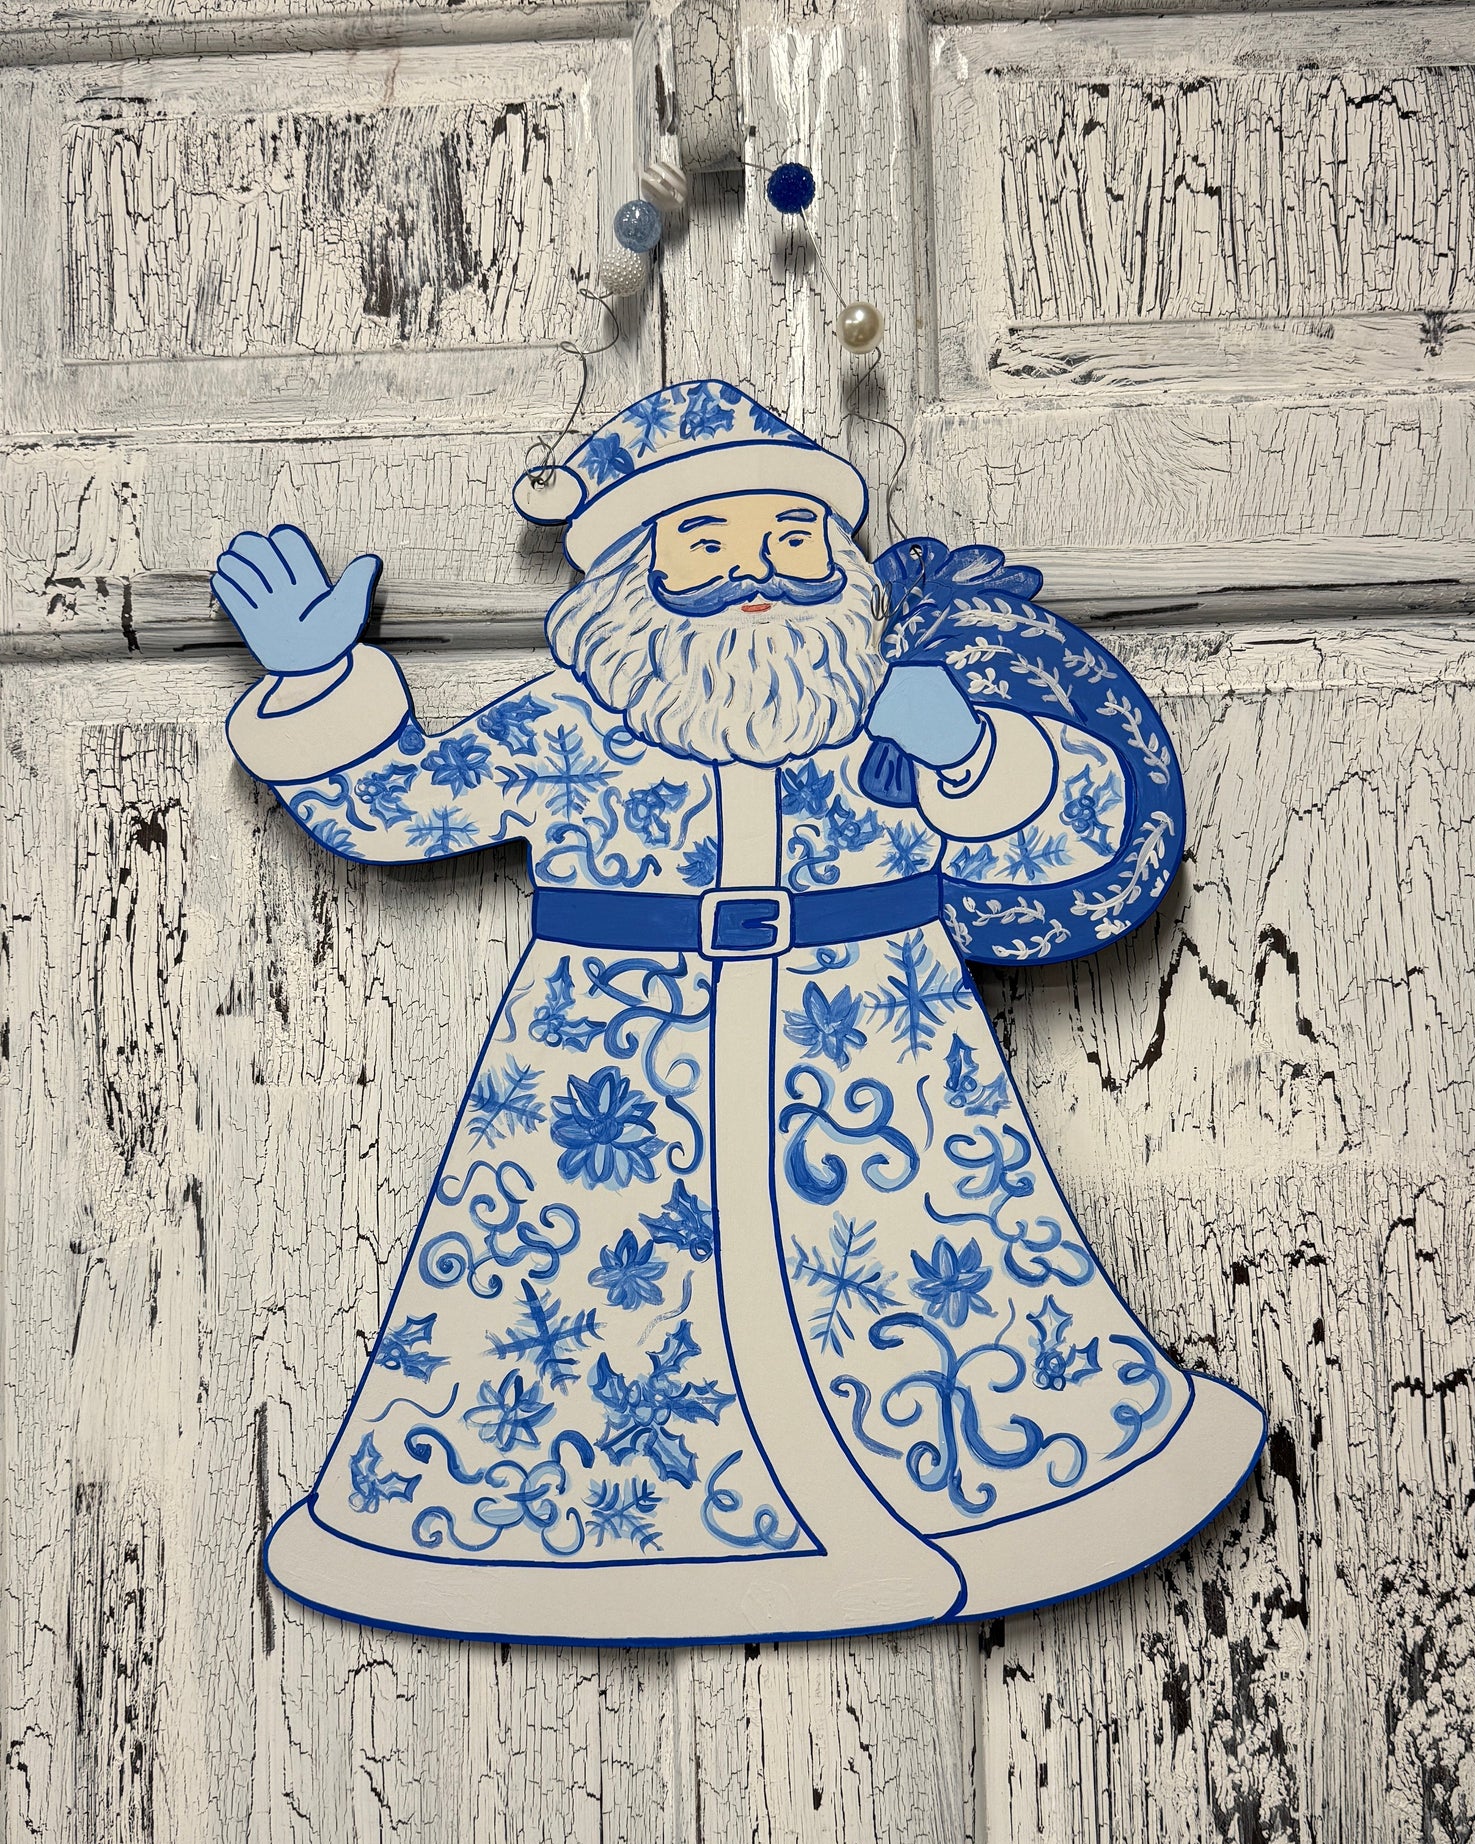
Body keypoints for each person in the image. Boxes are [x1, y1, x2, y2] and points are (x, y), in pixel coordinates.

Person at [216, 380, 1264, 1644]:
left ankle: (990, 1503)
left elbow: (1073, 842)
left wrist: (973, 756)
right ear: (630, 576)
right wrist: (320, 684)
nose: (754, 575)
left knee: (919, 1304)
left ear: (838, 555)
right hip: (609, 1080)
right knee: (594, 1324)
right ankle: (600, 1548)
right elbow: (399, 809)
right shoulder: (571, 726)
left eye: (789, 540)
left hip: (884, 1065)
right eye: (704, 547)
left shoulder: (892, 705)